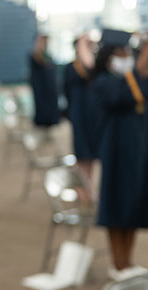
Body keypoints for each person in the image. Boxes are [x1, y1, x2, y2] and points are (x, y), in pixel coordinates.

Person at [88, 29, 148, 281]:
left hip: (141, 149)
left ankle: (128, 263)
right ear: (110, 56)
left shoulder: (134, 75)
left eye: (129, 52)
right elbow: (128, 90)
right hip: (116, 152)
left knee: (134, 205)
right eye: (122, 52)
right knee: (117, 206)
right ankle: (117, 264)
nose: (127, 57)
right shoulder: (103, 82)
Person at [63, 35, 97, 184]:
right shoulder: (72, 67)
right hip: (78, 113)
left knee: (91, 153)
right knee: (81, 152)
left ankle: (88, 185)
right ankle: (81, 187)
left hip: (92, 114)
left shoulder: (95, 67)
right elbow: (66, 91)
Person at [29, 33, 60, 127]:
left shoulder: (48, 55)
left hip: (49, 87)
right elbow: (40, 61)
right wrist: (39, 46)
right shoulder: (35, 54)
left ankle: (49, 124)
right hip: (41, 87)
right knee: (42, 106)